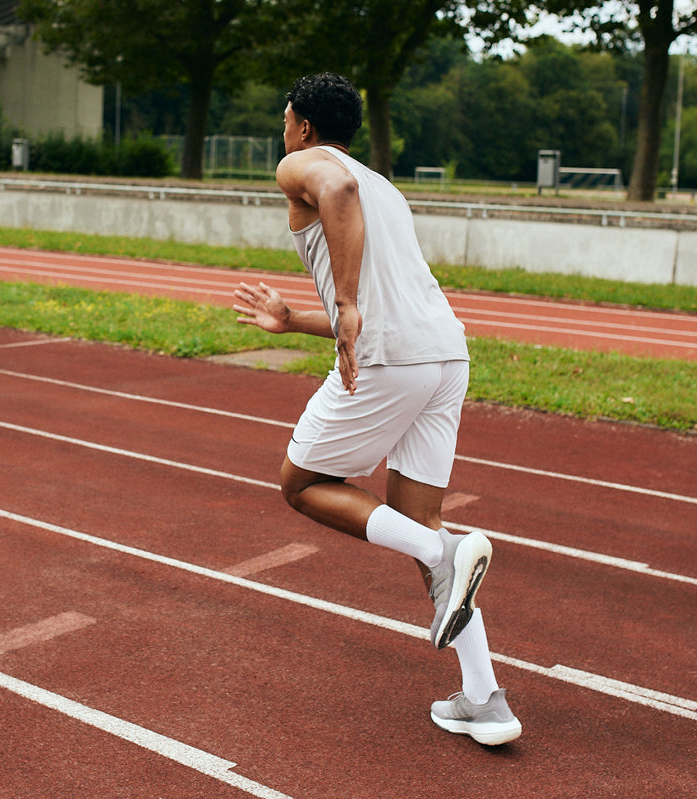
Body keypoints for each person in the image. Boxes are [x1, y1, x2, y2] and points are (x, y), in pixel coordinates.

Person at [233, 72, 521, 746]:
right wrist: (297, 319)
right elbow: (382, 294)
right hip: (445, 354)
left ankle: (442, 553)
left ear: (302, 123)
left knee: (300, 483)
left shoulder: (309, 167)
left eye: (285, 120)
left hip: (391, 356)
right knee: (421, 520)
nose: (283, 132)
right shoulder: (382, 183)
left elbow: (336, 197)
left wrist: (350, 304)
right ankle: (484, 697)